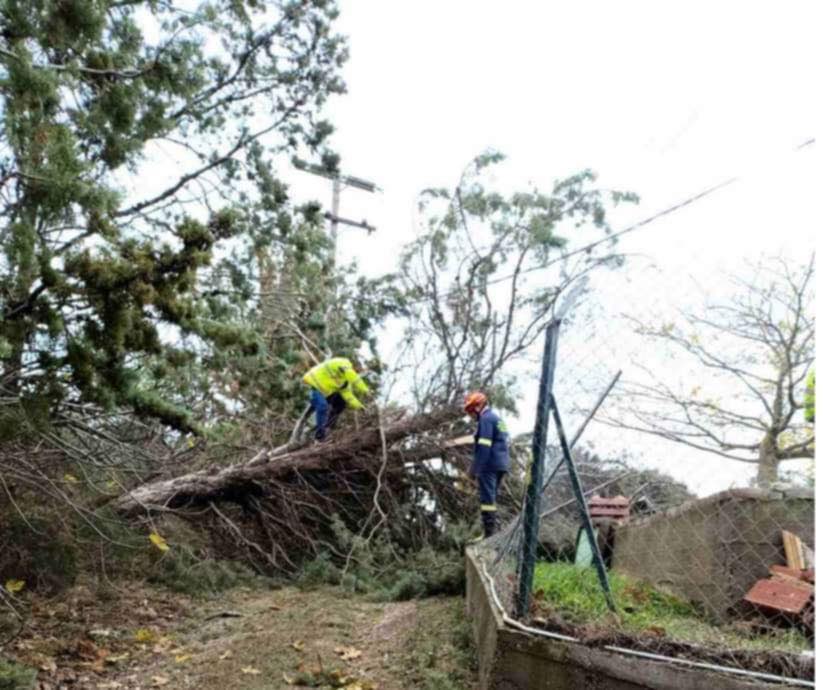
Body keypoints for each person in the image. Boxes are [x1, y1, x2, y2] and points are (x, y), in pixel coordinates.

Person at [464, 391, 510, 538]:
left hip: (489, 465)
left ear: (477, 407)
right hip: (501, 464)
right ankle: (491, 533)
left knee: (487, 499)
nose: (471, 415)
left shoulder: (486, 419)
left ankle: (489, 535)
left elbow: (484, 445)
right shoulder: (496, 418)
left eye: (471, 411)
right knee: (491, 497)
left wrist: (476, 469)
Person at [303, 357, 370, 441]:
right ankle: (320, 435)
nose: (356, 374)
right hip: (310, 385)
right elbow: (353, 377)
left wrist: (361, 407)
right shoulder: (341, 363)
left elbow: (349, 397)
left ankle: (328, 427)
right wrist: (366, 390)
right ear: (353, 368)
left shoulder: (345, 381)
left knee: (341, 402)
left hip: (321, 392)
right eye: (356, 372)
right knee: (322, 406)